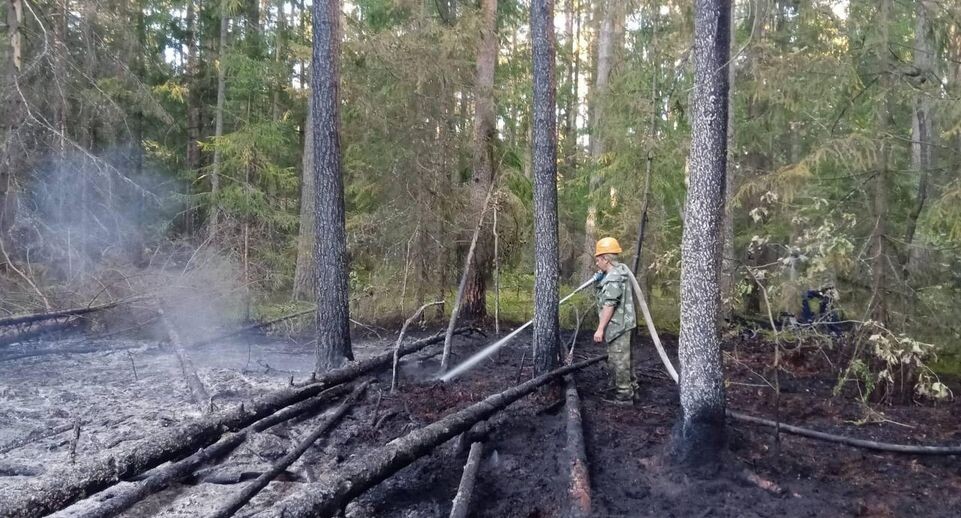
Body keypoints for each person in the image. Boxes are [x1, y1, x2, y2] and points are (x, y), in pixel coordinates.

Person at [593, 237, 638, 404]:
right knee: (627, 359)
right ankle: (632, 389)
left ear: (606, 258)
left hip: (619, 326)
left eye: (598, 259)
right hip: (627, 324)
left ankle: (624, 396)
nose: (597, 263)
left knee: (619, 361)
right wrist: (598, 280)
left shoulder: (613, 277)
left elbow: (609, 305)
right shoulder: (620, 271)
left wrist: (600, 329)